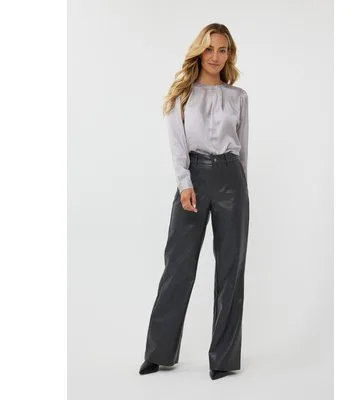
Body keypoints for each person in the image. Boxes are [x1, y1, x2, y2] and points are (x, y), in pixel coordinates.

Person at [139, 23, 250, 380]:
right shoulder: (182, 95)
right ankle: (159, 352)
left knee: (231, 270)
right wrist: (184, 183)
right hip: (195, 177)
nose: (216, 56)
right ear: (199, 52)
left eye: (223, 50)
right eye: (209, 49)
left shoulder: (238, 97)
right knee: (178, 266)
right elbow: (177, 145)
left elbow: (243, 148)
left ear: (229, 55)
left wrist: (241, 188)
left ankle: (224, 359)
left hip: (232, 180)